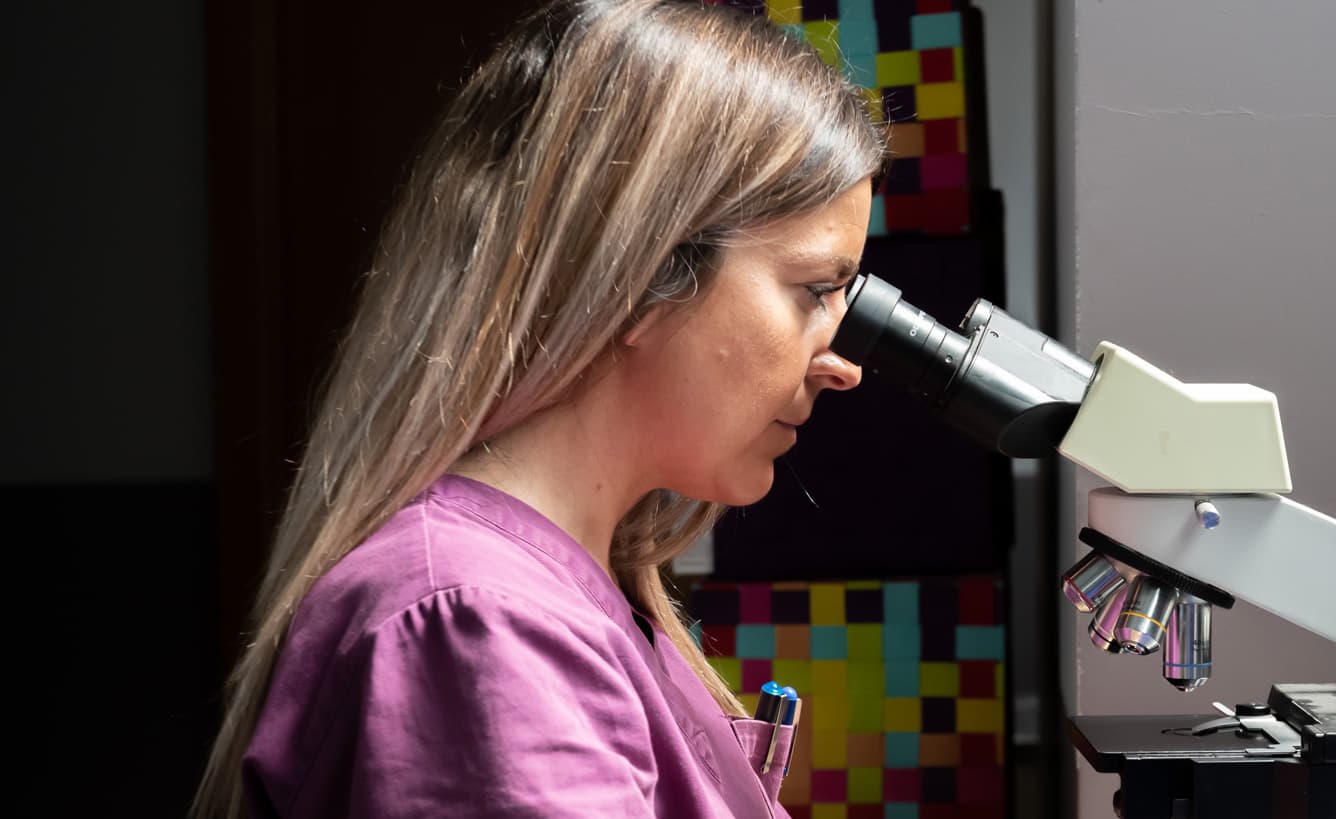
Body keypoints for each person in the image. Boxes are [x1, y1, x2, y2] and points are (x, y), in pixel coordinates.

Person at [192, 1, 884, 815]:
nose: (843, 367)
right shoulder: (481, 626)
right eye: (813, 291)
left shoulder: (571, 593)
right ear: (643, 274)